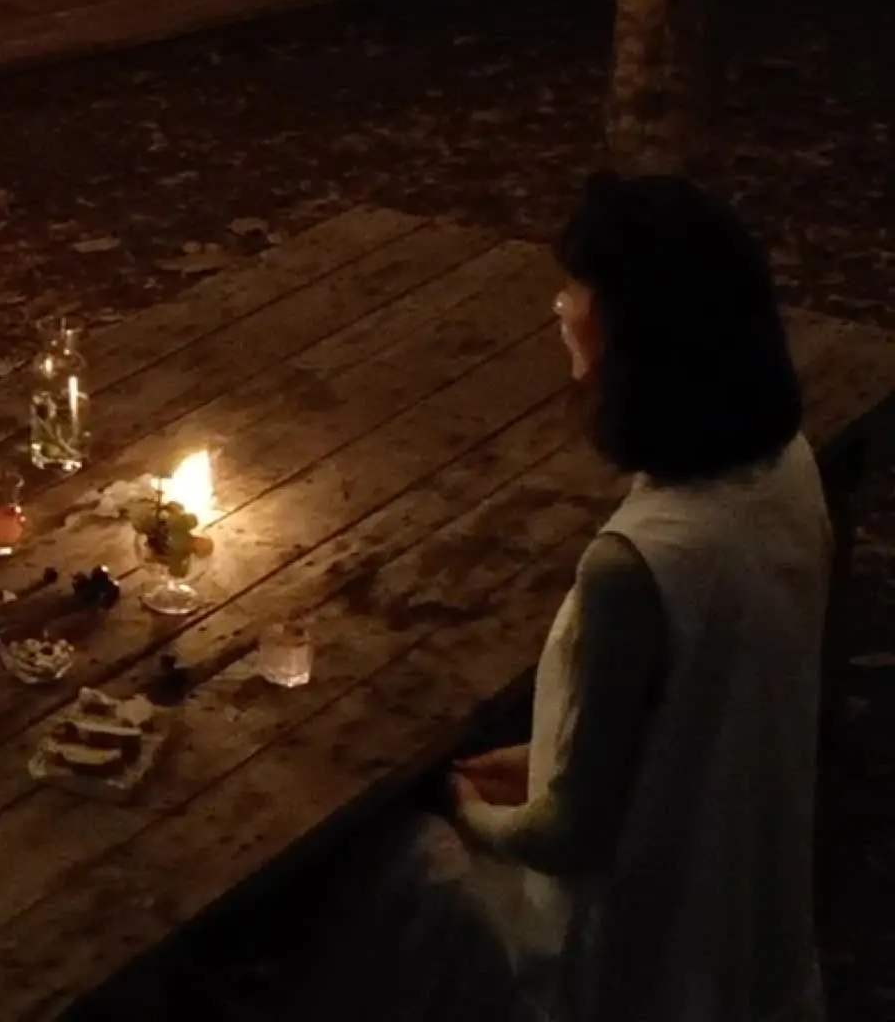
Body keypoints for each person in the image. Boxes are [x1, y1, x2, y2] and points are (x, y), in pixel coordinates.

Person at [291, 172, 831, 1022]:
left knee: (390, 860)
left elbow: (568, 836)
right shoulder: (787, 469)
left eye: (577, 290)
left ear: (634, 333)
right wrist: (546, 756)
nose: (558, 306)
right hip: (743, 908)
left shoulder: (634, 567)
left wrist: (462, 808)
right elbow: (691, 712)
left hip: (631, 949)